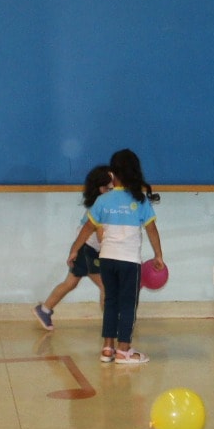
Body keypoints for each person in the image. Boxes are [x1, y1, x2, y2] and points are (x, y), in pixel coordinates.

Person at [73, 148, 164, 365]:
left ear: (112, 175)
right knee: (128, 305)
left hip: (107, 260)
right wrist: (158, 255)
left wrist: (74, 249)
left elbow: (87, 228)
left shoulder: (104, 200)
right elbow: (152, 230)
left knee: (111, 302)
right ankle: (124, 351)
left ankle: (107, 349)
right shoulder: (140, 201)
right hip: (129, 262)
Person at [33, 164, 113, 331]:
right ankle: (111, 325)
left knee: (71, 282)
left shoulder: (105, 203)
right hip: (88, 249)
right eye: (109, 188)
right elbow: (100, 236)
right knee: (106, 285)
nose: (113, 191)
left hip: (86, 247)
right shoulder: (101, 206)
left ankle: (44, 309)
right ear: (100, 189)